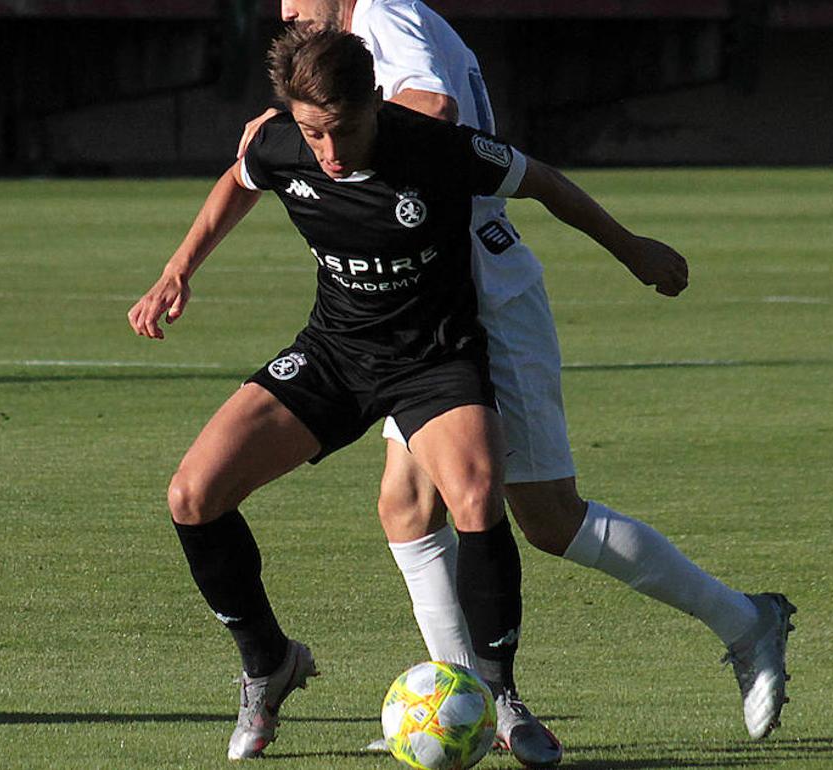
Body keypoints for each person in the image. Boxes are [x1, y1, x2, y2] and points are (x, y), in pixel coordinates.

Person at [240, 1, 798, 761]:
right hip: (423, 292)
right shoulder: (368, 26)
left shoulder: (385, 13)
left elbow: (430, 104)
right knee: (407, 506)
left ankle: (745, 621)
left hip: (479, 280)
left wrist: (324, 143)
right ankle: (464, 702)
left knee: (547, 516)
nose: (288, 11)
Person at [128, 26, 691, 761]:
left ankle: (502, 698)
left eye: (343, 130)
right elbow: (241, 178)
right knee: (192, 495)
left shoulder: (436, 148)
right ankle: (269, 664)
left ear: (376, 105)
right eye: (312, 133)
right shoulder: (280, 142)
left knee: (478, 498)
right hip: (334, 353)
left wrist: (635, 250)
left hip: (434, 359)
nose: (327, 151)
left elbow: (545, 181)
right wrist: (179, 268)